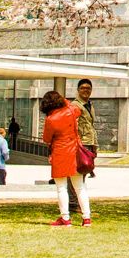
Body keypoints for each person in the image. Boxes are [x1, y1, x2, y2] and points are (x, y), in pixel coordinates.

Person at [40, 89, 89, 226]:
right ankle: (86, 218)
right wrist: (66, 102)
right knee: (80, 187)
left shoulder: (51, 119)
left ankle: (65, 218)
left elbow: (46, 138)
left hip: (60, 154)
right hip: (75, 152)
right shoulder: (71, 111)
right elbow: (77, 110)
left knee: (61, 188)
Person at [75, 79, 98, 176]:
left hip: (90, 142)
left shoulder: (90, 105)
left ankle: (79, 189)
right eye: (82, 88)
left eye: (88, 88)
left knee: (84, 170)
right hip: (82, 143)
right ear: (78, 90)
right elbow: (74, 126)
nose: (86, 90)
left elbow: (90, 125)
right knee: (80, 171)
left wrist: (95, 144)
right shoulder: (75, 105)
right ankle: (75, 190)